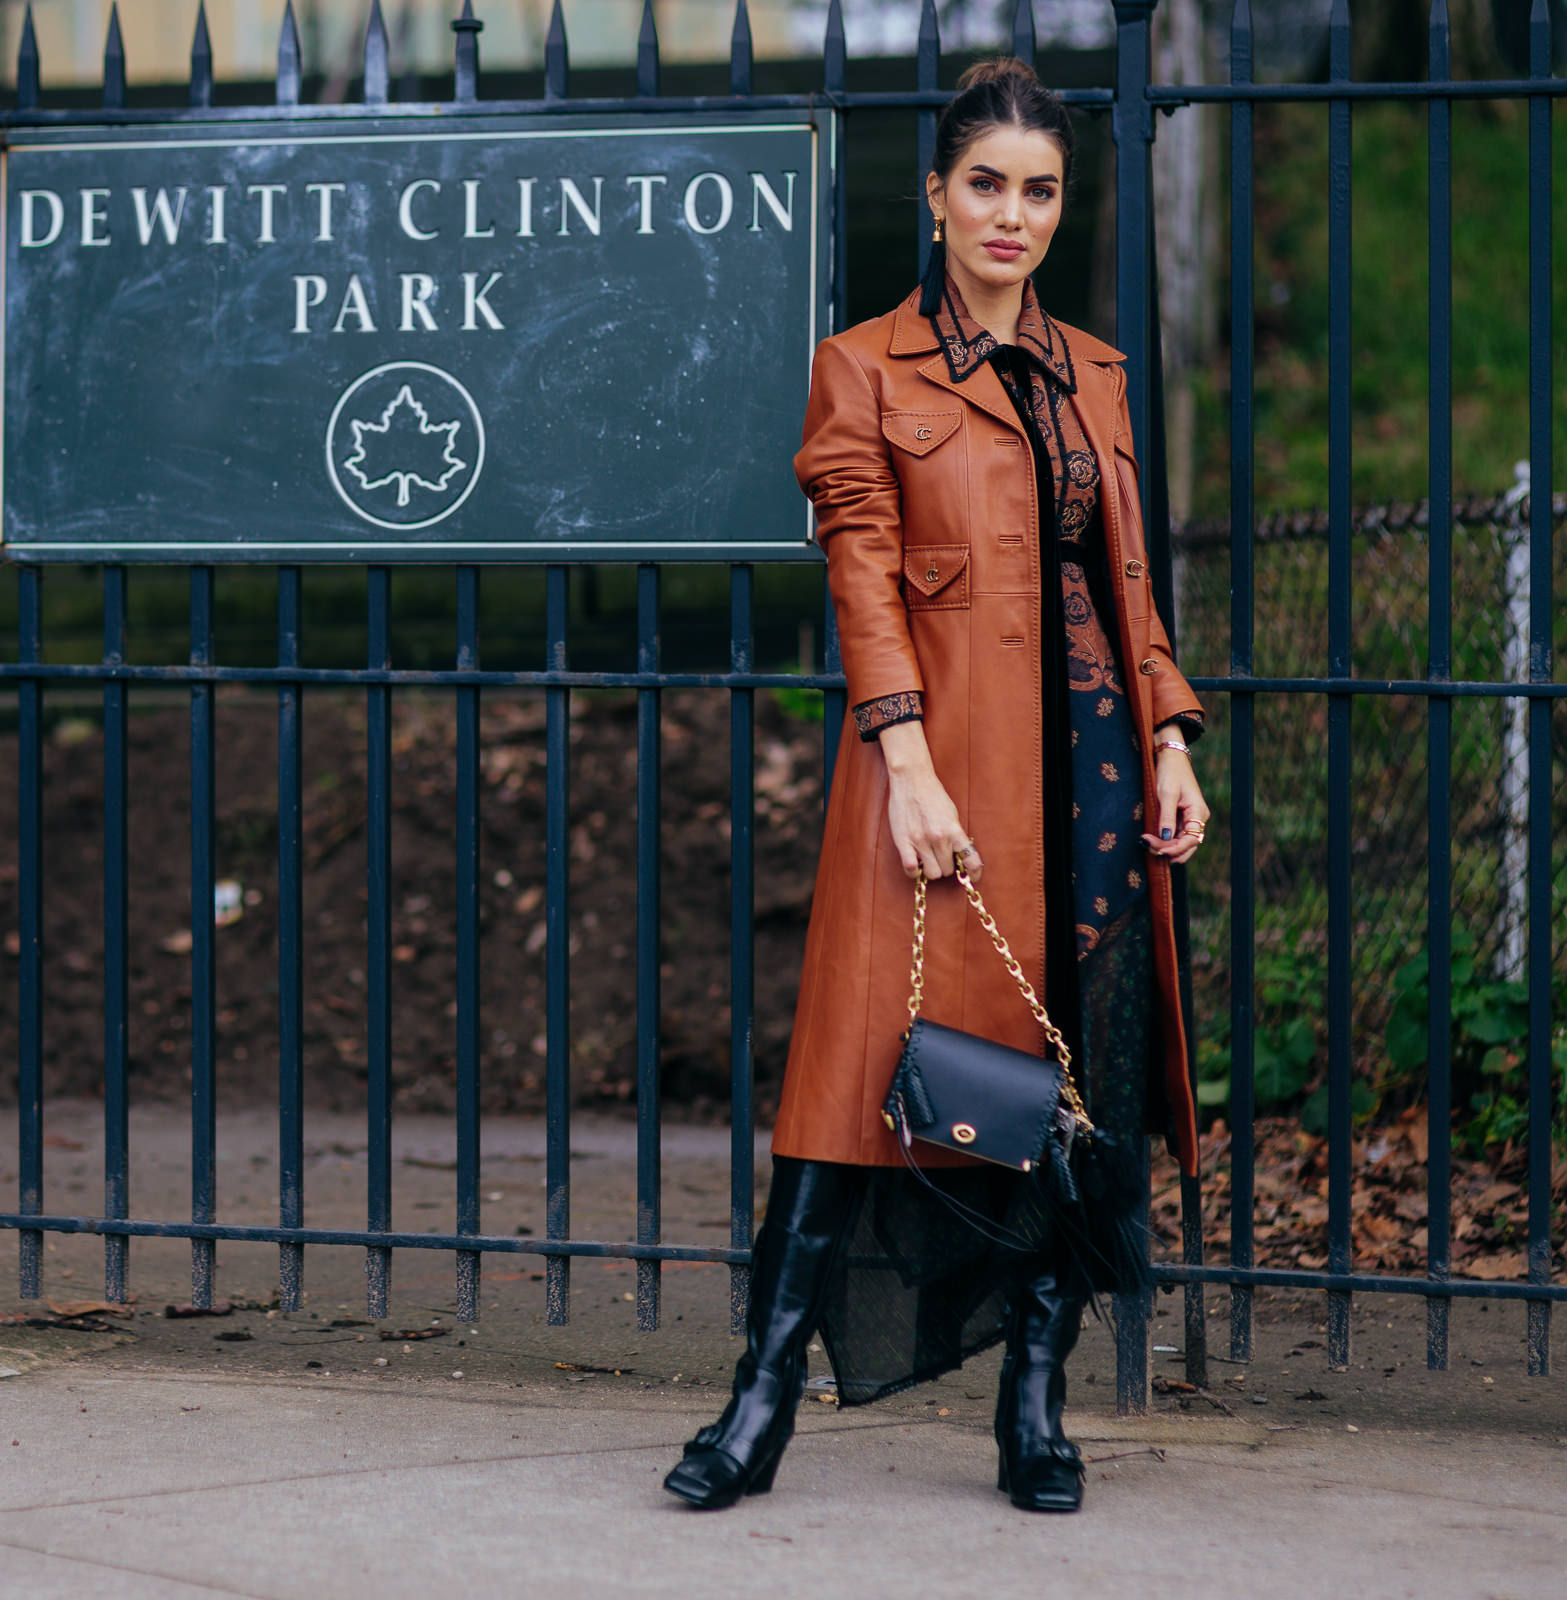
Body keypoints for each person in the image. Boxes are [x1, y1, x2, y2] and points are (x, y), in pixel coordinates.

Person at [664, 56, 1212, 1516]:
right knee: (853, 1091)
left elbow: (1127, 585)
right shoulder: (866, 364)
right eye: (988, 185)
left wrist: (1169, 735)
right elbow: (860, 570)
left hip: (1093, 786)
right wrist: (903, 759)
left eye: (1040, 190)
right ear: (937, 195)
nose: (1014, 215)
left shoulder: (1093, 369)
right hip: (940, 771)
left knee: (1067, 1092)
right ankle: (760, 1402)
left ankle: (1035, 1407)